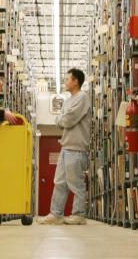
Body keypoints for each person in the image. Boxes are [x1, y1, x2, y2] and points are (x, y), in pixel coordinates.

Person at [39, 68, 91, 225]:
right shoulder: (68, 101)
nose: (65, 82)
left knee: (76, 183)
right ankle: (56, 214)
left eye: (68, 79)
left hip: (76, 148)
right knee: (60, 181)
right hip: (66, 146)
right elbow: (60, 120)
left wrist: (62, 119)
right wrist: (62, 119)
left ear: (76, 81)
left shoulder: (83, 98)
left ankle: (79, 214)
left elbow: (67, 120)